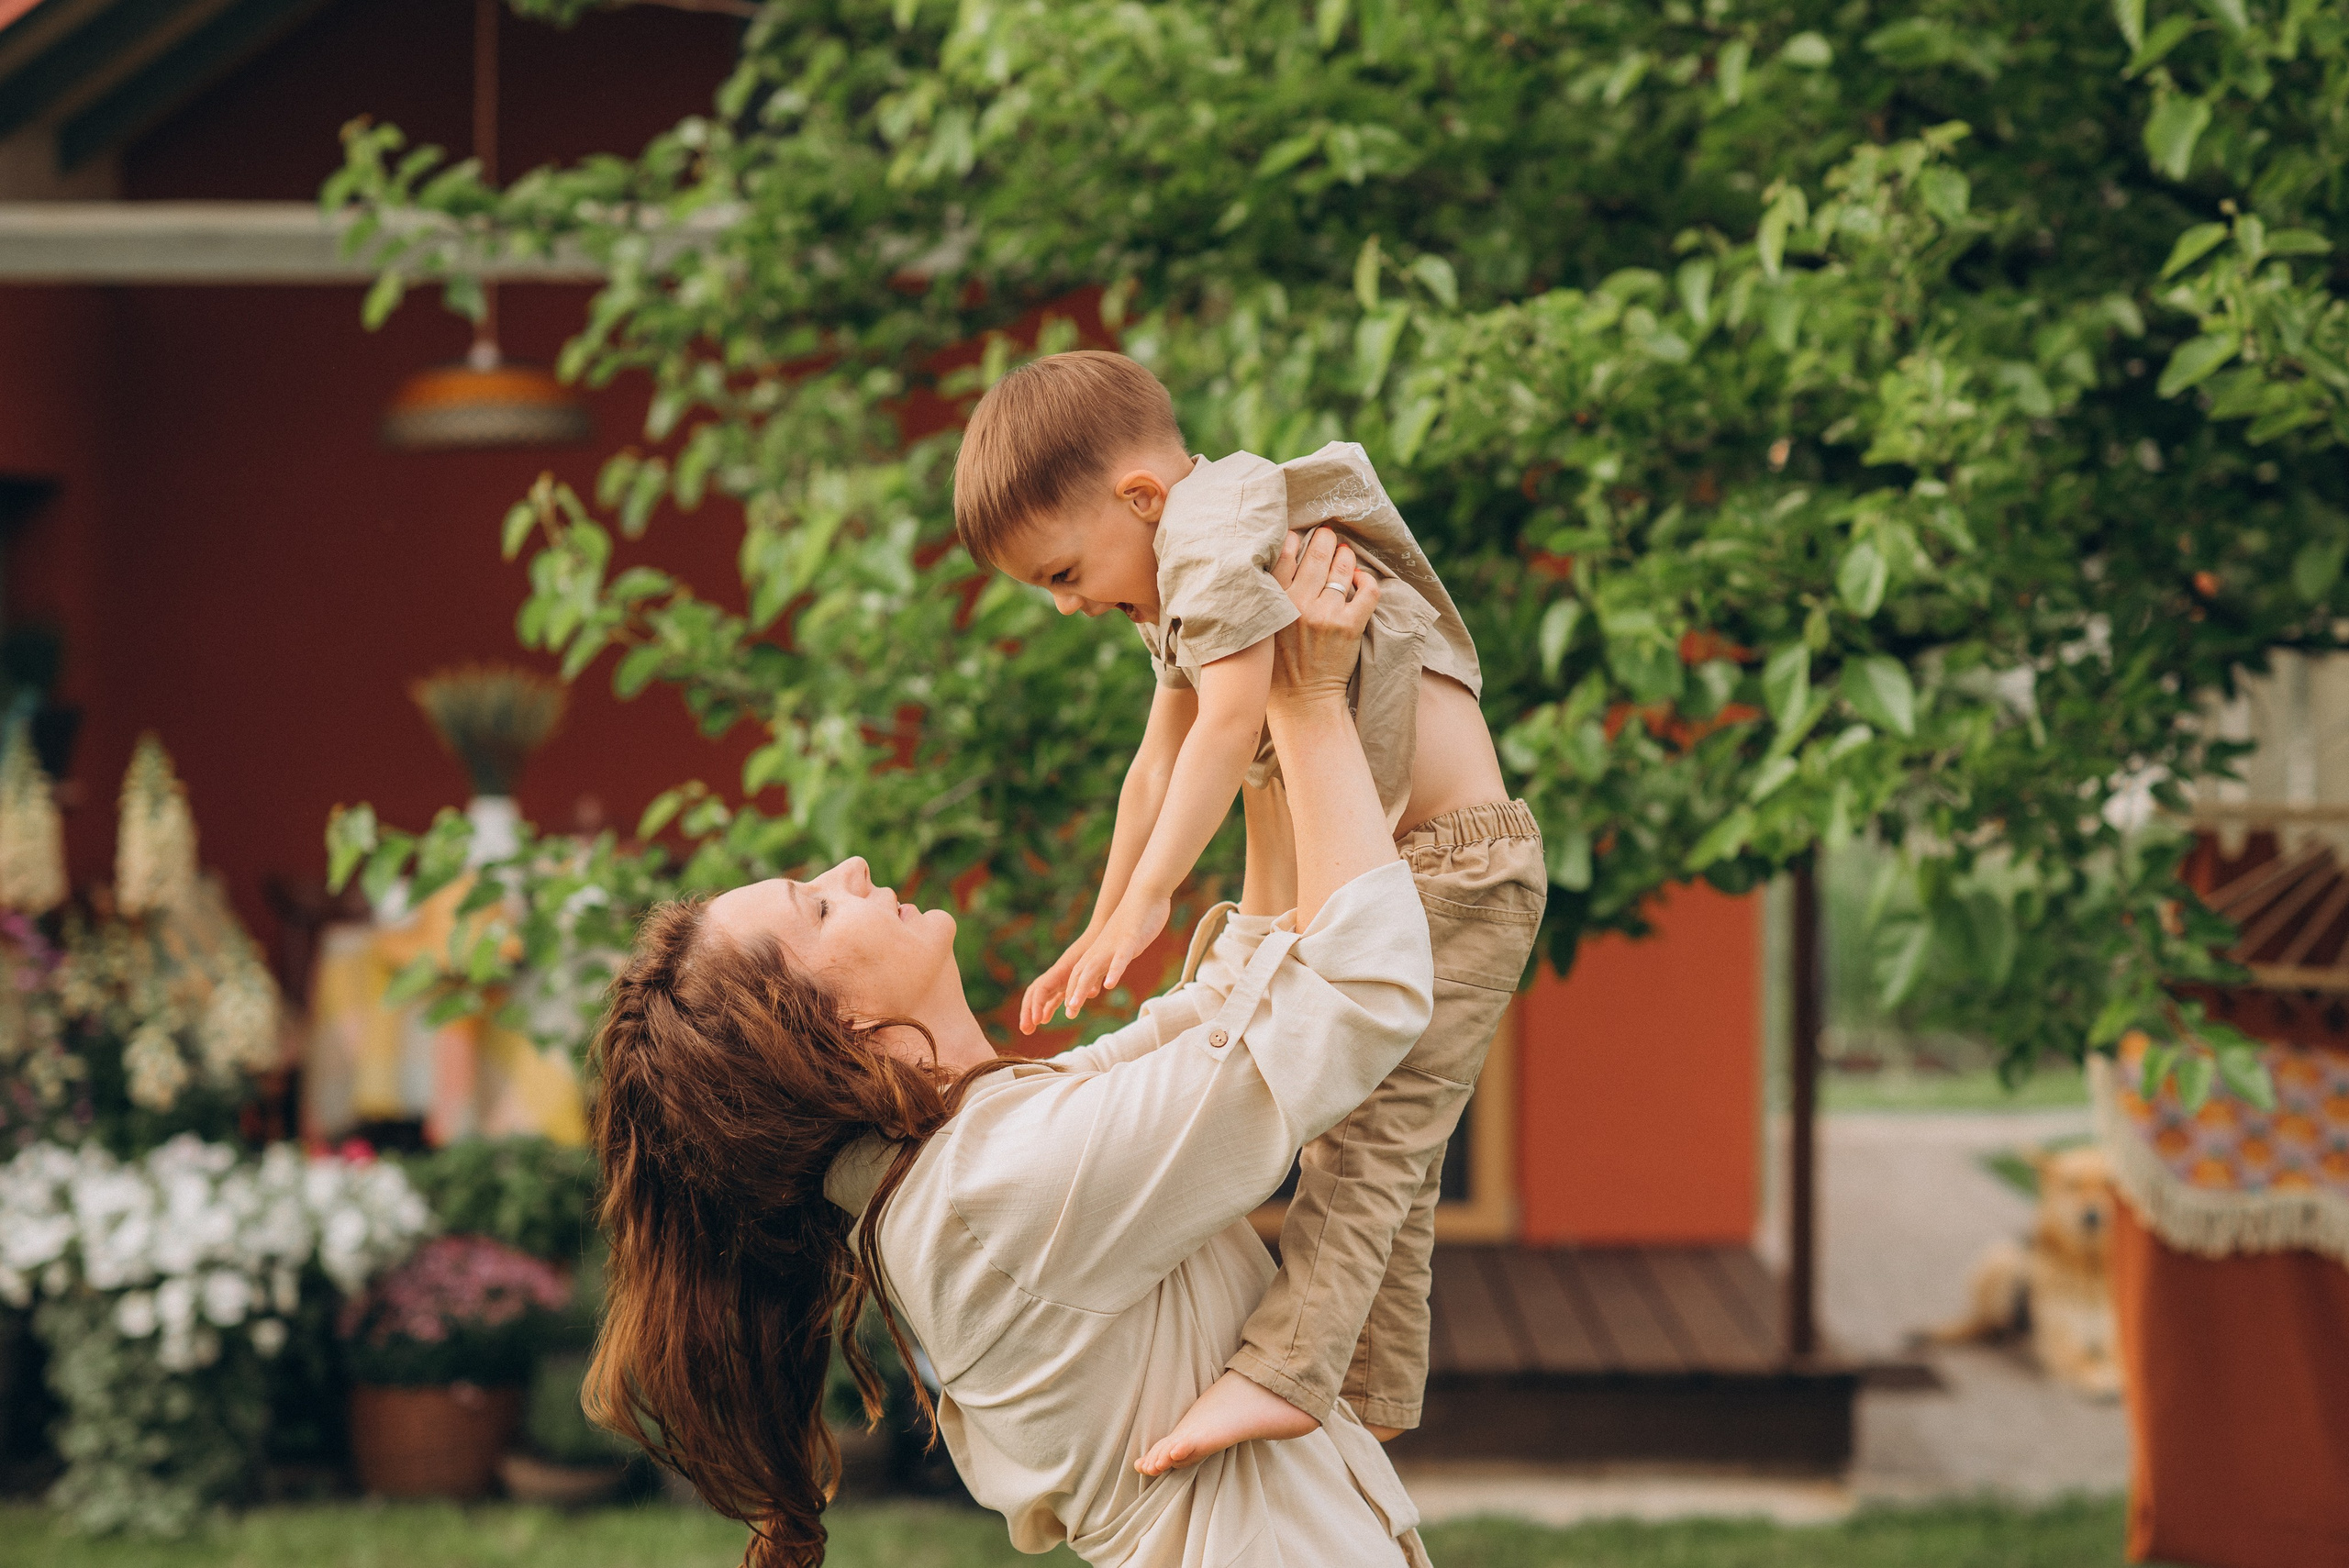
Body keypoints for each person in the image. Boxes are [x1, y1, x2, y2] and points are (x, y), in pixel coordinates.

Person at [584, 531, 1439, 1568]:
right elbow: (1359, 992)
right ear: (831, 1030)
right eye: (819, 906)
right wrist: (1307, 699)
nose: (851, 868)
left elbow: (1228, 1001)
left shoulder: (973, 1156)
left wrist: (1257, 721)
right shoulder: (995, 1194)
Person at [952, 350, 1545, 1471]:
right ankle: (1369, 1392)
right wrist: (1104, 914)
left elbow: (1228, 728)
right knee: (1392, 1153)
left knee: (1369, 1147)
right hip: (1408, 867)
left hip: (1454, 870)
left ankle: (1286, 1372)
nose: (1068, 603)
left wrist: (1155, 898)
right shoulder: (1183, 558)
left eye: (1063, 571)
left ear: (1138, 496)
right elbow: (1154, 761)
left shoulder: (1215, 538)